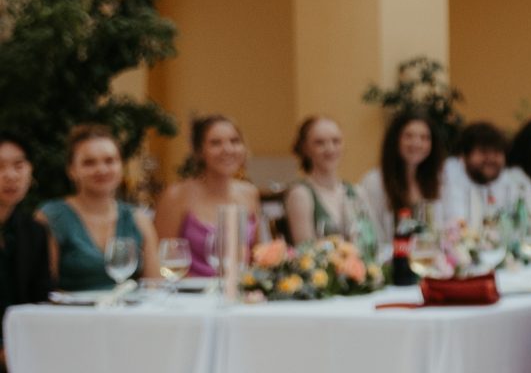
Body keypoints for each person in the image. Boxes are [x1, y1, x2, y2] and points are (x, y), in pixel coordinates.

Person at [39, 125, 153, 292]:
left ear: (121, 166)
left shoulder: (138, 219)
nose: (101, 170)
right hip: (70, 315)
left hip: (128, 315)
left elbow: (154, 286)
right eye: (89, 163)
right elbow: (45, 290)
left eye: (110, 161)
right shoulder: (51, 218)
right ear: (71, 170)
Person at [152, 115, 267, 277]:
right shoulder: (177, 195)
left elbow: (257, 255)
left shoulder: (249, 193)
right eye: (215, 143)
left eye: (234, 141)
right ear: (200, 151)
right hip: (189, 295)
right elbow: (160, 259)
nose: (227, 149)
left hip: (238, 292)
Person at [0, 129, 53, 373]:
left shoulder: (33, 231)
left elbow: (41, 297)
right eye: (1, 166)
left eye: (19, 165)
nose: (10, 176)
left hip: (17, 347)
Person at [358, 110, 445, 244]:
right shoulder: (374, 182)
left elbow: (438, 230)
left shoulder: (436, 180)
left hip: (426, 261)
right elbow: (370, 235)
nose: (416, 143)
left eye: (424, 137)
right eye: (408, 136)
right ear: (395, 140)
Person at [282, 116, 365, 246]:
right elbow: (306, 250)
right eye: (319, 143)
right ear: (305, 148)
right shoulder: (301, 194)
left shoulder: (355, 191)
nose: (330, 149)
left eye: (336, 141)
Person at [440, 121, 529, 220]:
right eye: (483, 152)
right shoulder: (448, 176)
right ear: (464, 156)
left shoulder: (509, 179)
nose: (491, 159)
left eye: (496, 152)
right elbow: (458, 220)